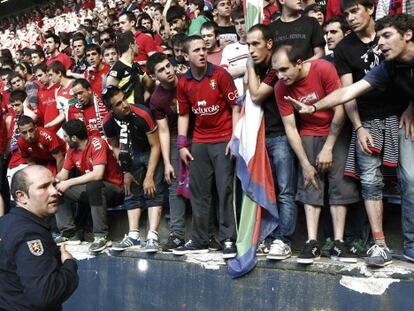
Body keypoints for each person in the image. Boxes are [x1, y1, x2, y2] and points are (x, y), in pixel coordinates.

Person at [289, 13, 414, 264]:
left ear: (408, 34)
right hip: (388, 119)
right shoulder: (389, 66)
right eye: (379, 39)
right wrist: (314, 107)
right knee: (407, 179)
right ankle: (395, 245)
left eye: (387, 36)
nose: (381, 44)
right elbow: (349, 91)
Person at [273, 44, 360, 264]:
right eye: (277, 72)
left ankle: (339, 243)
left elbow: (339, 108)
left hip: (336, 130)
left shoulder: (323, 69)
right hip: (308, 132)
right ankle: (312, 243)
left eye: (284, 70)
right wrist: (304, 163)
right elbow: (290, 128)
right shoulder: (281, 87)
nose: (280, 76)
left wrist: (329, 146)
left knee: (340, 185)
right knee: (310, 182)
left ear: (299, 63)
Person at [172, 35, 240, 258]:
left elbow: (235, 108)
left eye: (204, 49)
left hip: (223, 139)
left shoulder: (220, 74)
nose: (202, 53)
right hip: (199, 141)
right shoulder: (183, 82)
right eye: (196, 50)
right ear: (185, 55)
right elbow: (183, 114)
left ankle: (228, 238)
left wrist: (234, 137)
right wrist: (182, 144)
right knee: (199, 193)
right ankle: (200, 239)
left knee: (224, 190)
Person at [245, 24, 298, 259]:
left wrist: (247, 65)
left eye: (255, 44)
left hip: (282, 136)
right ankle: (270, 236)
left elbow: (256, 95)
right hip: (261, 136)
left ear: (268, 44)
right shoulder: (259, 67)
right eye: (248, 45)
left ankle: (284, 240)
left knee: (286, 192)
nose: (251, 50)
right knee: (269, 191)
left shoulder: (278, 65)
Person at [0, 165, 79, 310]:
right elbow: (45, 295)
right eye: (43, 187)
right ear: (21, 196)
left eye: (54, 184)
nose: (54, 191)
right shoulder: (29, 234)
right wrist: (69, 265)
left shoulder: (5, 223)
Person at [102, 87, 164, 252]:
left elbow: (156, 145)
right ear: (111, 109)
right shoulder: (108, 123)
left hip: (149, 151)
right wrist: (126, 170)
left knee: (152, 191)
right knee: (130, 192)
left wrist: (149, 176)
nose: (124, 105)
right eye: (118, 104)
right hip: (130, 154)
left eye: (124, 99)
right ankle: (133, 236)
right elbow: (115, 147)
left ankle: (152, 237)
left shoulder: (142, 113)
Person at [55, 120, 124, 253]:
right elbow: (63, 175)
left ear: (74, 138)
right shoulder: (71, 150)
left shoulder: (97, 143)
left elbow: (98, 175)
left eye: (65, 136)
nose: (64, 139)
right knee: (56, 189)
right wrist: (51, 181)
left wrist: (69, 182)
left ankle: (101, 236)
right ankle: (69, 233)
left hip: (114, 189)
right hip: (92, 190)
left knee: (94, 185)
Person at [147, 52, 188, 251]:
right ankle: (177, 234)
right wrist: (168, 162)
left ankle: (208, 233)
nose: (168, 71)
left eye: (168, 66)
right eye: (161, 70)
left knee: (203, 184)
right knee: (174, 185)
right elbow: (162, 131)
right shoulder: (156, 99)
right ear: (155, 77)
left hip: (199, 135)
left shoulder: (187, 80)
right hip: (172, 137)